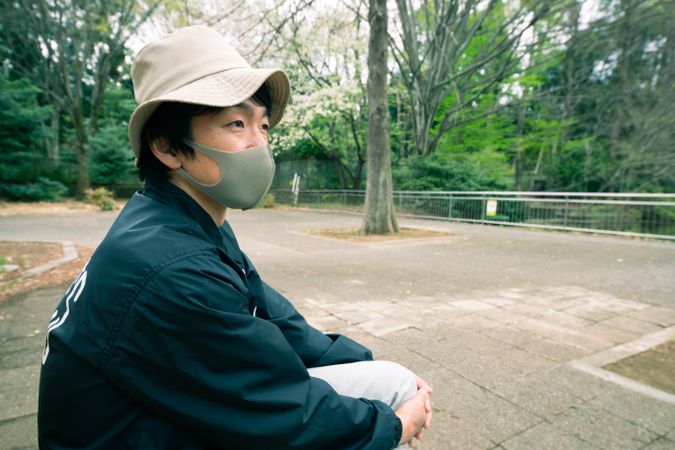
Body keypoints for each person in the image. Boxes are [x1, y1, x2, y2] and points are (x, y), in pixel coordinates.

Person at [38, 25, 432, 449]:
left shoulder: (178, 221)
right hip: (134, 436)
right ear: (167, 147)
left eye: (263, 126)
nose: (258, 144)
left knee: (392, 381)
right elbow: (277, 410)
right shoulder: (172, 266)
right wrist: (394, 426)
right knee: (381, 408)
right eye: (237, 123)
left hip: (154, 418)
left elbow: (280, 322)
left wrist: (373, 366)